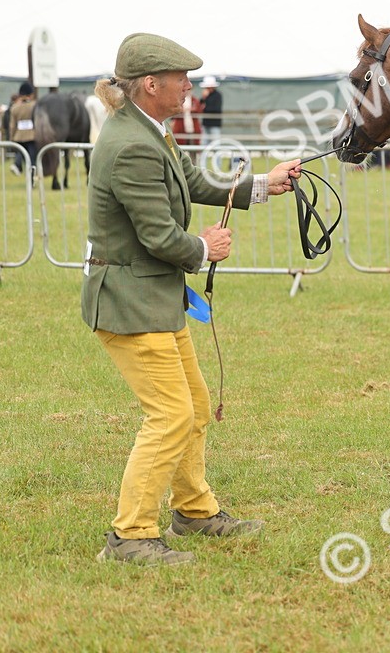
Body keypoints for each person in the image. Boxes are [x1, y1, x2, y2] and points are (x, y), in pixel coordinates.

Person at [86, 33, 301, 566]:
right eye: (181, 77)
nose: (190, 84)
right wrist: (206, 247)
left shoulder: (150, 130)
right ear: (151, 85)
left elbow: (193, 183)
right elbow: (160, 236)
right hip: (129, 304)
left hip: (153, 299)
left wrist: (262, 185)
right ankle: (130, 535)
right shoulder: (134, 144)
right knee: (171, 415)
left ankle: (194, 511)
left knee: (195, 406)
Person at [6, 81, 37, 177]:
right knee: (32, 159)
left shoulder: (15, 108)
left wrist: (11, 138)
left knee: (22, 155)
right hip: (32, 135)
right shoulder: (34, 106)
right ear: (31, 94)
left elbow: (12, 126)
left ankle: (17, 165)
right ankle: (32, 178)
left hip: (19, 136)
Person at [198, 75, 223, 146]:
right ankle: (203, 157)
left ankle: (217, 157)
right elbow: (199, 105)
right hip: (206, 123)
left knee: (216, 144)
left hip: (214, 123)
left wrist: (205, 108)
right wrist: (203, 98)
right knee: (204, 143)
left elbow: (216, 108)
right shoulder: (205, 95)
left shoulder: (218, 95)